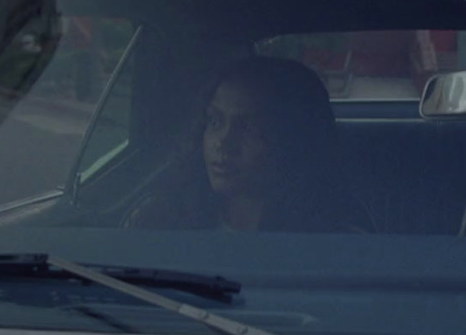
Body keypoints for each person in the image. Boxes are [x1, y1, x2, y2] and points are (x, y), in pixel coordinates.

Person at [126, 55, 373, 233]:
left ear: (293, 139)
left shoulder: (337, 235)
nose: (224, 143)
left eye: (247, 127)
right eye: (215, 122)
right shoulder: (162, 220)